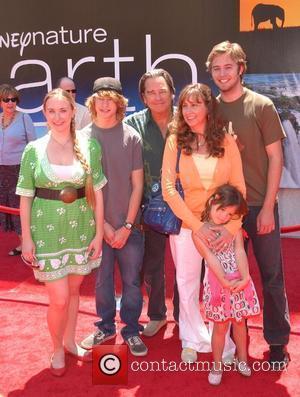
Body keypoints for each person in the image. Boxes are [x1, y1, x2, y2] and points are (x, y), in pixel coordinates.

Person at [206, 40, 291, 369]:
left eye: (228, 67)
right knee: (222, 276)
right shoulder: (209, 109)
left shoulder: (262, 105)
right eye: (216, 68)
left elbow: (276, 158)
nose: (222, 74)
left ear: (241, 68)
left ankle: (277, 343)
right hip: (223, 213)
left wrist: (268, 207)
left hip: (259, 206)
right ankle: (227, 341)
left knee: (271, 276)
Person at [16, 88, 106, 376]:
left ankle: (69, 341)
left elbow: (98, 193)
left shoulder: (89, 145)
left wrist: (99, 234)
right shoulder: (34, 150)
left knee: (75, 290)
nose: (57, 116)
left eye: (63, 110)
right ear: (44, 114)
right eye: (51, 111)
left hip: (82, 227)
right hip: (46, 230)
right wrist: (26, 238)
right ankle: (56, 347)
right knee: (59, 298)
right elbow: (25, 196)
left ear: (73, 113)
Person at [162, 83, 246, 363]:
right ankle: (191, 338)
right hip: (188, 227)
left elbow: (239, 188)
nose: (189, 111)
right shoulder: (175, 140)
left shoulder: (225, 140)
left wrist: (230, 228)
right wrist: (197, 225)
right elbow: (168, 189)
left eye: (196, 104)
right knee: (186, 284)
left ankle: (225, 347)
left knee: (221, 286)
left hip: (222, 228)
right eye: (185, 105)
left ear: (209, 107)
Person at [80, 77, 147, 356]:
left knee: (132, 281)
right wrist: (104, 227)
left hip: (130, 227)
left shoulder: (131, 136)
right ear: (93, 102)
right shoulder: (82, 138)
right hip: (97, 228)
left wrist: (127, 226)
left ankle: (131, 330)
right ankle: (105, 327)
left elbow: (138, 185)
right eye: (100, 98)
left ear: (120, 103)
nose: (105, 104)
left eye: (111, 98)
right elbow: (82, 187)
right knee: (102, 280)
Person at [125, 69, 179, 336]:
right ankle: (157, 315)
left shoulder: (188, 118)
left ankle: (185, 316)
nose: (158, 97)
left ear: (172, 92)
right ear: (143, 97)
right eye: (151, 92)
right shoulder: (133, 123)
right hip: (149, 208)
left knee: (189, 266)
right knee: (152, 265)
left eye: (162, 91)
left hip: (186, 205)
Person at [193, 184, 260, 385]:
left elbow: (240, 251)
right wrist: (224, 281)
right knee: (220, 327)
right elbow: (210, 258)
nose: (224, 216)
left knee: (240, 323)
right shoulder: (199, 232)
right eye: (222, 210)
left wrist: (245, 277)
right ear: (212, 201)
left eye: (230, 213)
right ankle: (216, 364)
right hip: (218, 284)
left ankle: (243, 359)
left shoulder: (234, 228)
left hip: (240, 282)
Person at [0, 83, 36, 255]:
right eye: (6, 100)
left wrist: (31, 170)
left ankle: (26, 244)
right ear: (1, 102)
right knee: (7, 208)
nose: (10, 103)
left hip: (19, 170)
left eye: (13, 99)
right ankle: (22, 242)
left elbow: (33, 146)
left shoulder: (24, 118)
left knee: (19, 208)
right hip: (1, 171)